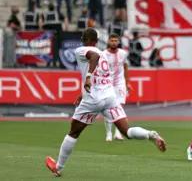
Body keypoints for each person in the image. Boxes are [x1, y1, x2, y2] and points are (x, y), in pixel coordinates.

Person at [45, 28, 166, 177]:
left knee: (73, 133)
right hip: (110, 97)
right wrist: (83, 92)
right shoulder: (104, 55)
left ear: (85, 39)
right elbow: (99, 77)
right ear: (97, 41)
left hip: (93, 99)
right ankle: (150, 134)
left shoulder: (82, 50)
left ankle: (59, 167)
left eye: (83, 37)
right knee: (126, 131)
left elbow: (92, 59)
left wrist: (88, 77)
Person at [103, 34, 131, 141]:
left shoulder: (123, 53)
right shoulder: (103, 54)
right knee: (108, 108)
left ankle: (118, 133)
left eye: (116, 40)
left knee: (119, 107)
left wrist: (127, 83)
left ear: (118, 42)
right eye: (112, 40)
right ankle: (108, 133)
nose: (114, 42)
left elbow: (125, 67)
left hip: (120, 84)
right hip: (107, 83)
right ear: (108, 41)